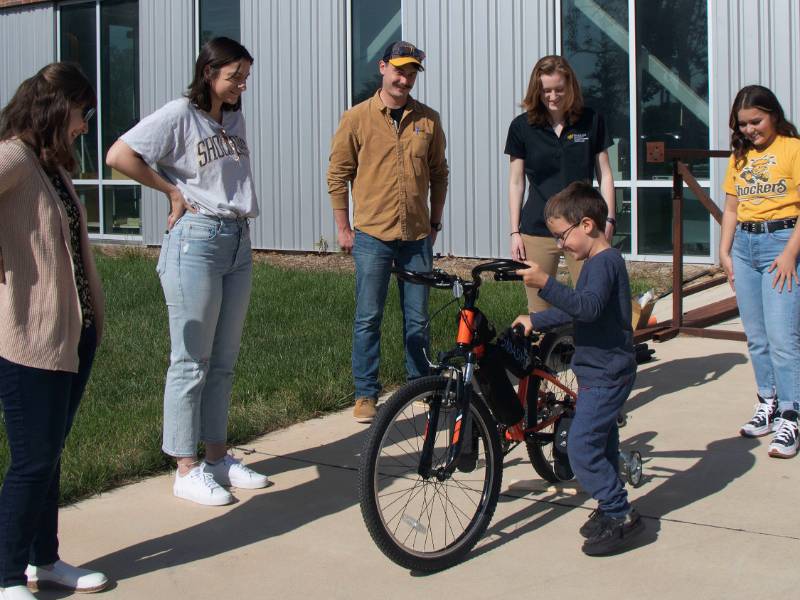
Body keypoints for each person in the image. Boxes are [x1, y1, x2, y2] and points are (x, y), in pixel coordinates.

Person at [106, 37, 268, 506]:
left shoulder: (232, 116)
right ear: (208, 72)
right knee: (190, 359)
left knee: (223, 360)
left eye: (245, 77)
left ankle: (217, 457)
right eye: (234, 75)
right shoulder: (180, 114)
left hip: (237, 240)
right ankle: (185, 467)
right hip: (196, 242)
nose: (241, 84)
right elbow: (120, 155)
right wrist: (171, 192)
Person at [0, 63, 108, 599]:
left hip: (71, 335)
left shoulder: (49, 164)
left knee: (49, 456)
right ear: (56, 107)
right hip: (30, 337)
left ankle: (45, 560)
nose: (84, 125)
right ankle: (5, 574)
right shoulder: (14, 157)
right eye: (82, 112)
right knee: (31, 461)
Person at [512, 181, 642, 556]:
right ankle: (609, 504)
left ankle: (620, 514)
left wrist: (546, 284)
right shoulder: (596, 263)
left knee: (583, 448)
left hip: (607, 373)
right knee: (601, 442)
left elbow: (587, 308)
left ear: (586, 225)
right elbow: (577, 308)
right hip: (597, 370)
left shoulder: (604, 263)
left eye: (562, 235)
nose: (559, 244)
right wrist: (537, 321)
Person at [327, 41, 449, 423]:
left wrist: (434, 223)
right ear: (382, 67)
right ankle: (366, 393)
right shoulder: (356, 118)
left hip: (416, 238)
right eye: (399, 70)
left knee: (419, 318)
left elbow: (439, 173)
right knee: (368, 316)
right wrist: (343, 227)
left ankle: (420, 386)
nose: (405, 78)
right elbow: (338, 175)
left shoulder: (428, 121)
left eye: (411, 72)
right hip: (372, 237)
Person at [719, 85, 800, 458]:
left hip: (781, 244)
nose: (750, 129)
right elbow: (732, 208)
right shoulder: (740, 156)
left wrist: (788, 255)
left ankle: (791, 414)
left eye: (757, 121)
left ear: (774, 115)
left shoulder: (792, 149)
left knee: (784, 337)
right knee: (756, 336)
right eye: (743, 124)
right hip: (745, 249)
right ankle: (766, 401)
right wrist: (724, 250)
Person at [505, 55, 615, 313]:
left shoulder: (592, 120)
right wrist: (514, 232)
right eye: (546, 91)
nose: (552, 96)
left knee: (593, 304)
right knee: (539, 309)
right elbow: (516, 182)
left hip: (585, 227)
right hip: (537, 228)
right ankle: (546, 353)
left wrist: (608, 220)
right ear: (537, 91)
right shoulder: (521, 127)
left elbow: (606, 175)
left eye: (559, 90)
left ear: (571, 88)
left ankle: (589, 353)